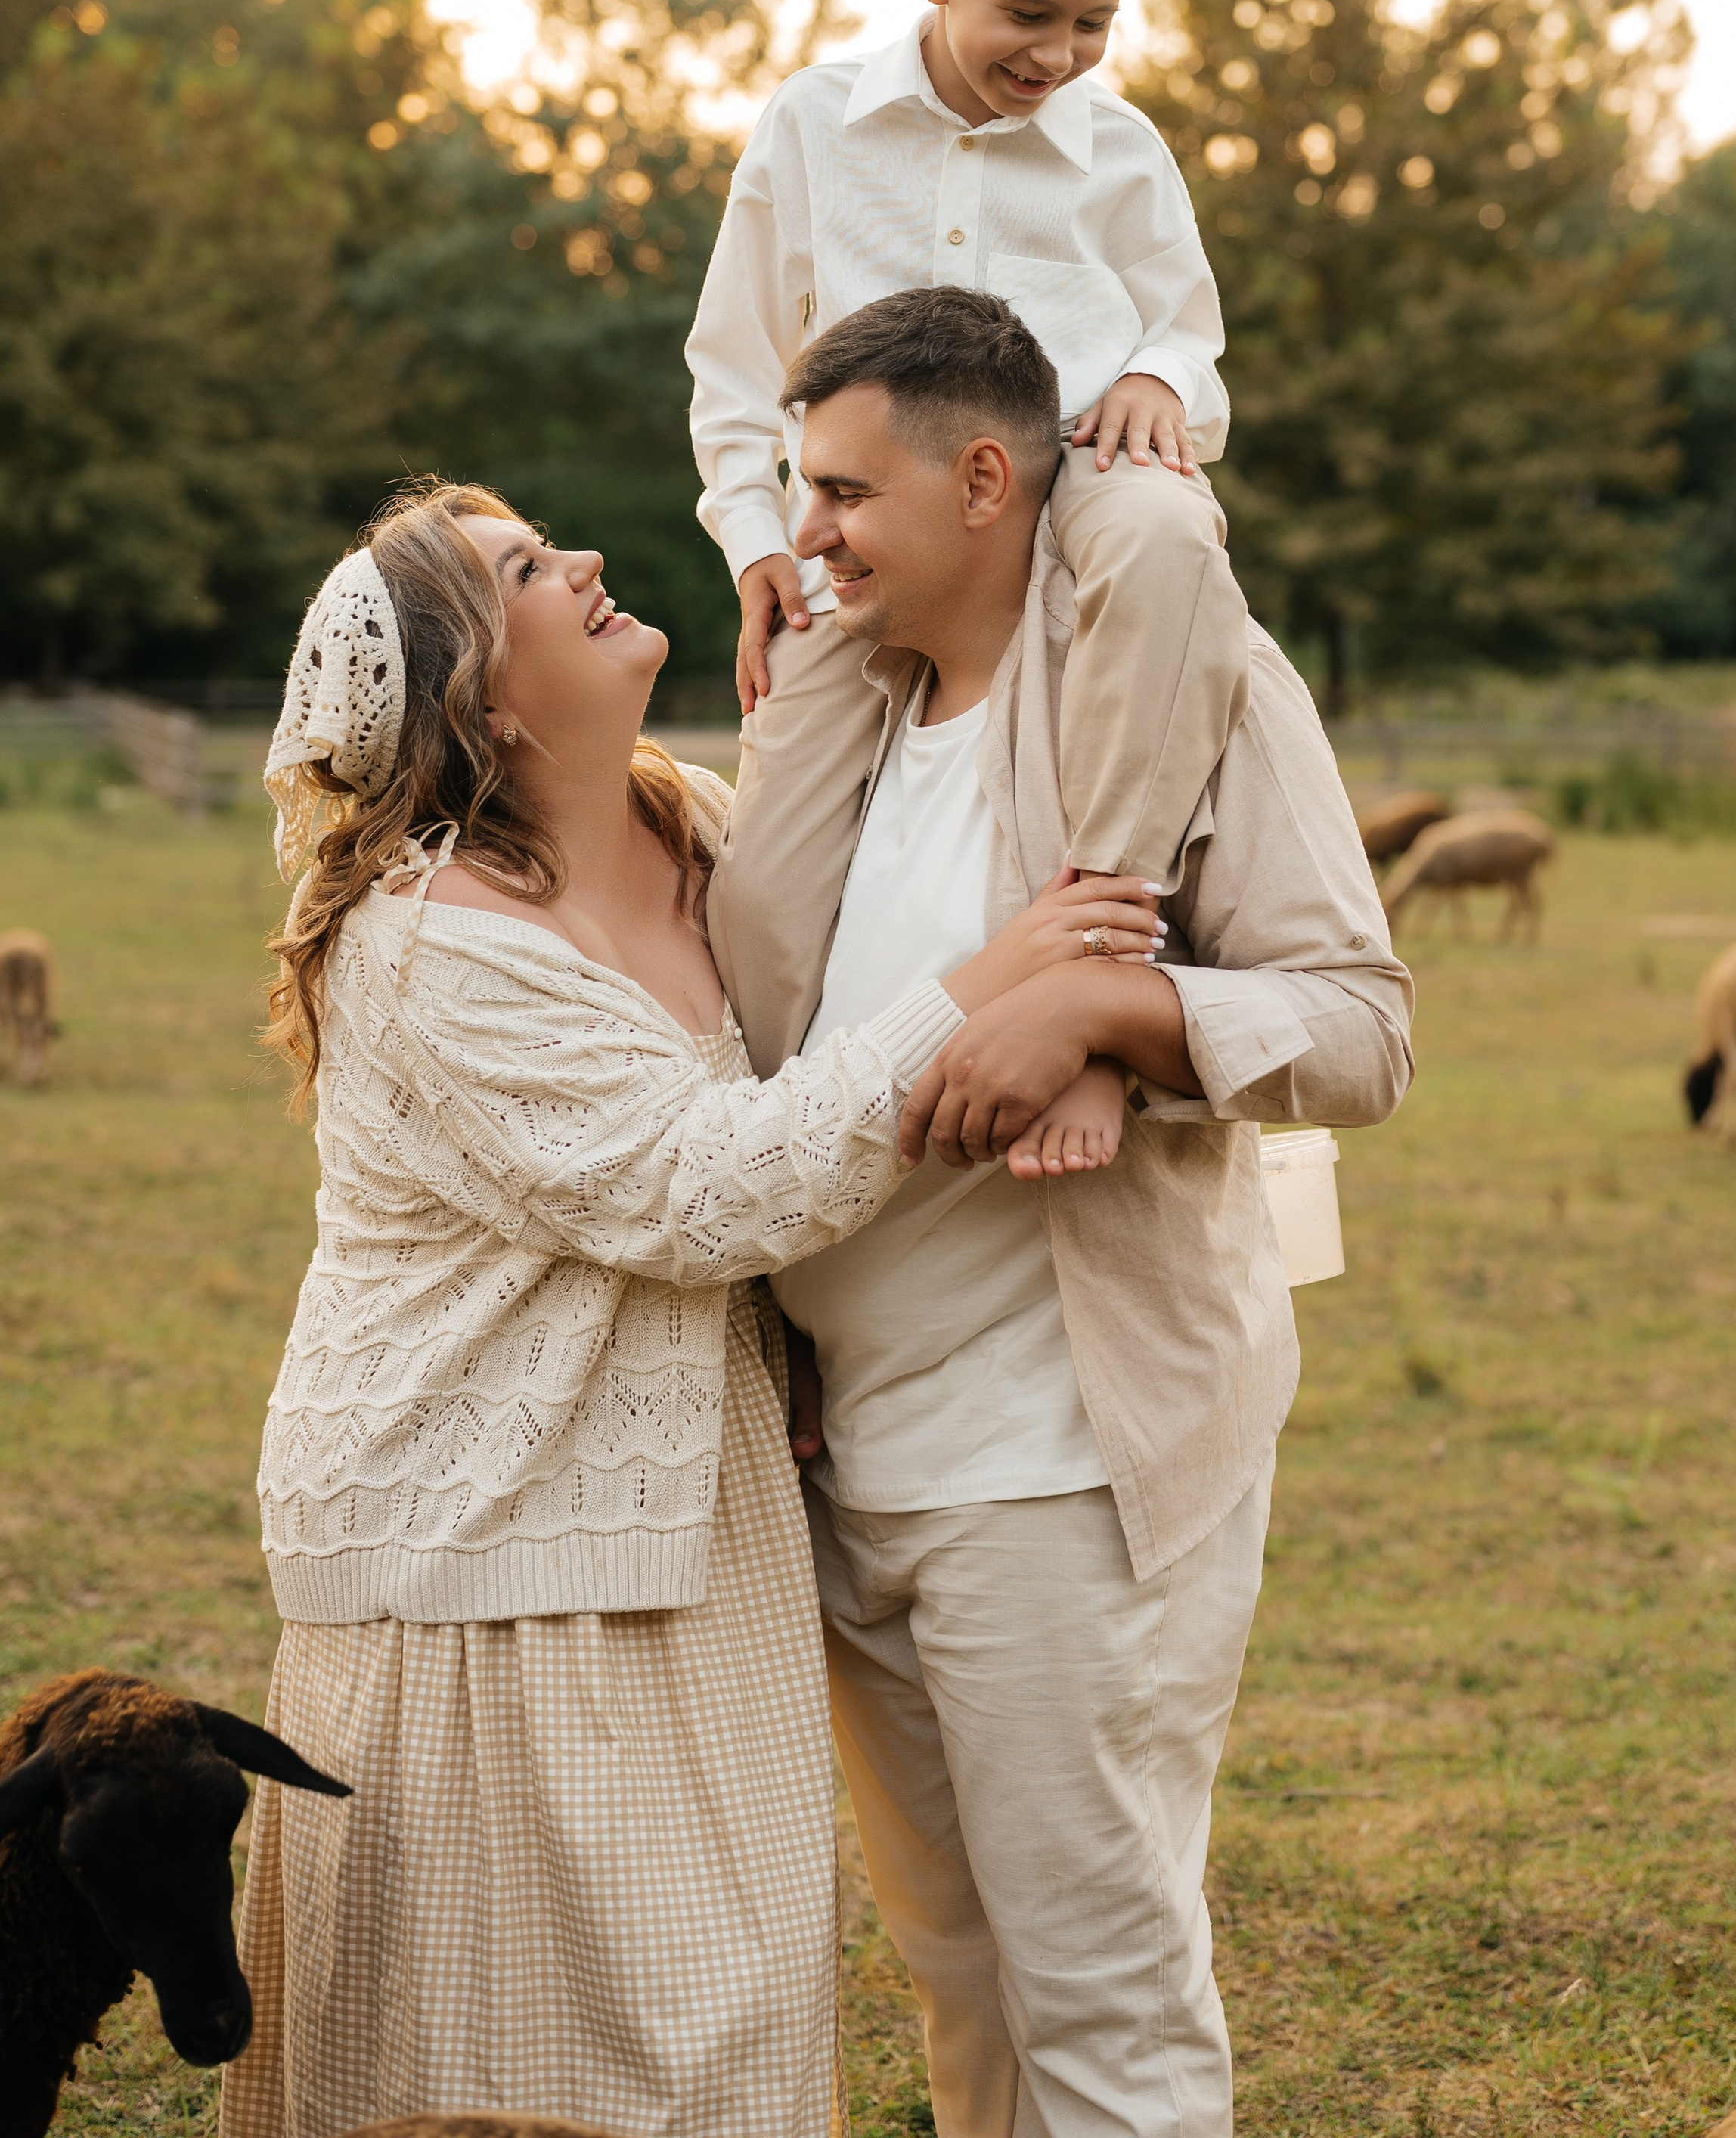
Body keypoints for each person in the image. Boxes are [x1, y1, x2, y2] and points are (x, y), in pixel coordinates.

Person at [220, 479, 1164, 2138]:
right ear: (484, 703)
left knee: (722, 2019)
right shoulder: (422, 948)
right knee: (514, 2070)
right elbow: (701, 1186)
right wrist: (996, 980)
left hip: (699, 1517)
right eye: (526, 568)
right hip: (483, 1553)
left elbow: (787, 1078)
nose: (585, 559)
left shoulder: (698, 825)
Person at [747, 289, 1416, 2138]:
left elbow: (1360, 1026)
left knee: (1099, 1993)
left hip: (1061, 1470)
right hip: (852, 1465)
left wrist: (1111, 1013)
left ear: (984, 480)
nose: (806, 530)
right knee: (957, 1974)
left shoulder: (1195, 680)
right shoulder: (841, 719)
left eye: (842, 491)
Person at [687, 0, 1253, 1077]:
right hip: (865, 530)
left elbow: (1191, 334)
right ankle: (773, 1123)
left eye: (1094, 22)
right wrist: (755, 541)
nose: (1059, 54)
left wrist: (1160, 378)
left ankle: (1106, 917)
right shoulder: (813, 126)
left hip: (1072, 483)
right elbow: (733, 363)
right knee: (763, 894)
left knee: (1168, 527)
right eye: (1029, 15)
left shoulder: (1123, 152)